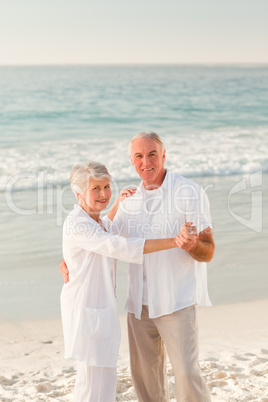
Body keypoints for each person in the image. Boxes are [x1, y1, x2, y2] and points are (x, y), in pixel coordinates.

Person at [61, 132, 215, 402]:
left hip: (176, 301)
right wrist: (69, 256)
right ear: (131, 161)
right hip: (139, 307)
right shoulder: (129, 200)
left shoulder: (189, 192)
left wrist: (189, 245)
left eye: (152, 154)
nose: (146, 162)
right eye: (139, 156)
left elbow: (208, 250)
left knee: (187, 376)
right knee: (145, 383)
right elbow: (108, 238)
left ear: (163, 155)